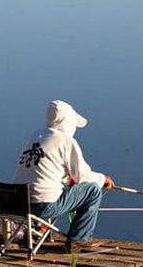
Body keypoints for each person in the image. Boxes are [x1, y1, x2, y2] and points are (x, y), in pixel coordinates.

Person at [13, 100, 114, 253]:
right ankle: (79, 240)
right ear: (68, 122)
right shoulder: (65, 141)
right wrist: (103, 179)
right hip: (42, 206)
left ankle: (37, 229)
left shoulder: (36, 136)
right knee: (92, 190)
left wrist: (67, 179)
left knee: (59, 188)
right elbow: (83, 176)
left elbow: (43, 170)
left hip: (16, 204)